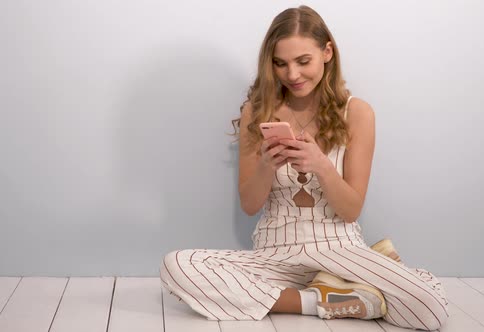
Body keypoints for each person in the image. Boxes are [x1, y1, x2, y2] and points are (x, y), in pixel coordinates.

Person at [160, 5, 448, 330]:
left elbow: (351, 209)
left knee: (431, 308)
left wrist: (322, 166)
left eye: (303, 61)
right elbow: (250, 205)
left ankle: (360, 275)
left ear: (327, 52)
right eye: (280, 64)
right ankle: (320, 299)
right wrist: (267, 166)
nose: (292, 75)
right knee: (178, 266)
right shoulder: (257, 114)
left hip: (337, 247)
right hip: (274, 252)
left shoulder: (358, 113)